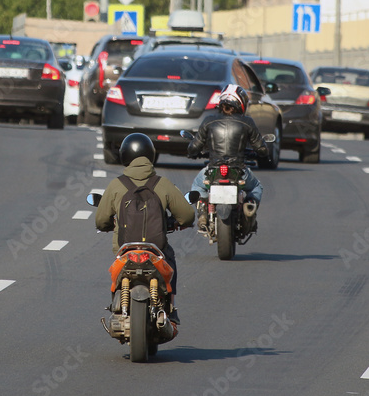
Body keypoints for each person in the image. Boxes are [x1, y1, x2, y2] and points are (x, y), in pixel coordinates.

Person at [95, 133, 194, 325]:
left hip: (125, 251)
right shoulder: (162, 184)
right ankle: (171, 309)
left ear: (125, 155)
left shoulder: (116, 185)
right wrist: (175, 223)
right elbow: (188, 216)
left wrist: (110, 225)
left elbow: (101, 221)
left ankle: (116, 304)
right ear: (150, 155)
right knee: (170, 264)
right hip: (157, 251)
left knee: (117, 273)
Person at [186, 84, 266, 232]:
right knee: (256, 187)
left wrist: (193, 152)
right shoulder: (247, 122)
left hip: (213, 169)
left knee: (198, 185)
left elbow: (193, 147)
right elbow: (262, 149)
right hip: (239, 170)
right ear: (241, 103)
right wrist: (260, 153)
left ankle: (203, 212)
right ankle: (249, 207)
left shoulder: (209, 120)